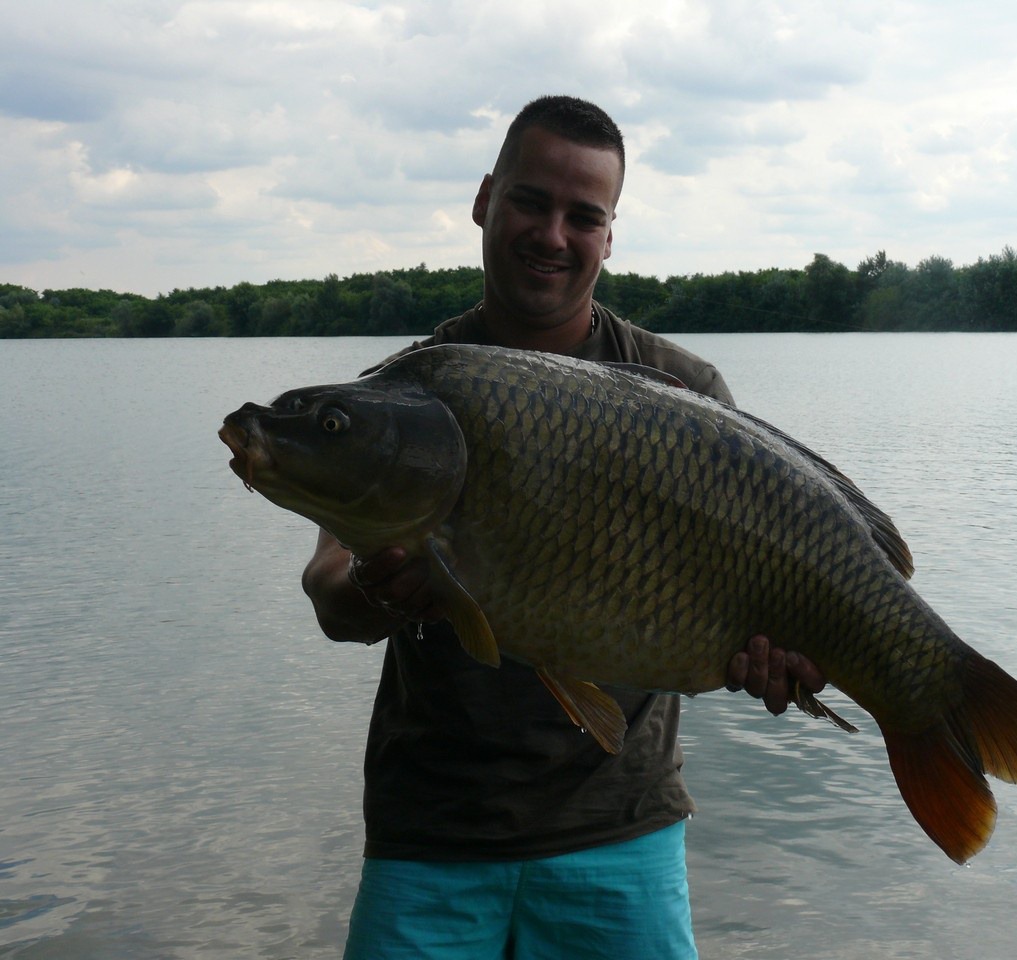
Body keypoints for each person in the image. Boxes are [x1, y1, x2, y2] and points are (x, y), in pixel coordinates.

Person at [302, 95, 827, 960]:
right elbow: (329, 591)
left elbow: (756, 602)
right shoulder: (410, 393)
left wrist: (782, 661)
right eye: (529, 202)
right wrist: (369, 587)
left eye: (583, 216)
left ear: (609, 237)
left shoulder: (684, 391)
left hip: (620, 833)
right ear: (484, 200)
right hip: (430, 839)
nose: (552, 234)